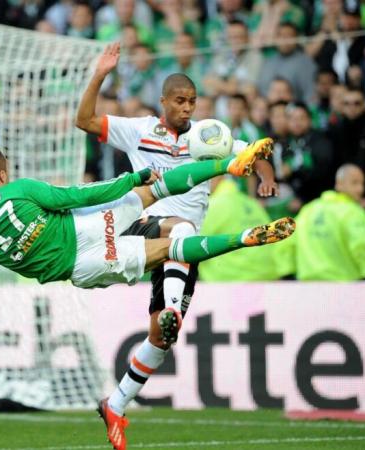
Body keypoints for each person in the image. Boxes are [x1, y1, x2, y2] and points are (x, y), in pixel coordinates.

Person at [0, 145, 294, 450]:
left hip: (81, 263)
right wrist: (131, 178)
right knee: (151, 194)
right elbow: (76, 195)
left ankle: (239, 237)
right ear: (2, 174)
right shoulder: (18, 189)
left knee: (169, 245)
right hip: (83, 226)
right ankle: (231, 170)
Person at [74, 42, 278, 450]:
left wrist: (264, 175)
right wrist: (100, 74)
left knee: (162, 339)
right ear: (163, 101)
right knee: (180, 228)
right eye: (180, 101)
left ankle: (114, 404)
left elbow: (257, 152)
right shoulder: (139, 130)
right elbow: (84, 120)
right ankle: (169, 304)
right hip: (142, 224)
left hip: (181, 252)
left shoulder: (208, 137)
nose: (187, 108)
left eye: (193, 101)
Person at [285, 164, 365, 280]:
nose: (360, 189)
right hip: (344, 288)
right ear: (339, 184)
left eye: (362, 183)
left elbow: (285, 244)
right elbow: (362, 245)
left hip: (308, 289)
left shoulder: (308, 211)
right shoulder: (352, 212)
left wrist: (287, 275)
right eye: (354, 183)